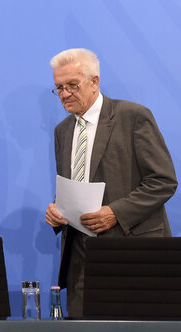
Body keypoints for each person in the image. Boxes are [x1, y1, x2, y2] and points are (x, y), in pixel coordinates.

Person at [44, 48, 177, 317]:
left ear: (95, 82)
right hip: (81, 258)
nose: (65, 93)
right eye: (59, 87)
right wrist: (58, 210)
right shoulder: (63, 131)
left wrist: (115, 213)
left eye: (72, 85)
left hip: (133, 253)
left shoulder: (133, 116)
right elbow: (77, 185)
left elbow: (163, 181)